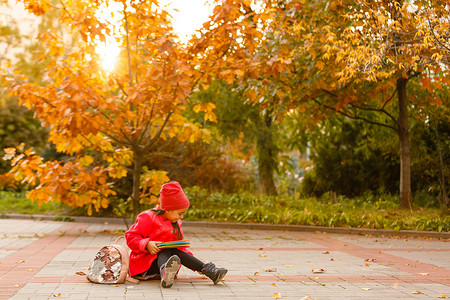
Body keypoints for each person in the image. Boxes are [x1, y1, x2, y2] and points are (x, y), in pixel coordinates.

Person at [125, 181, 228, 288]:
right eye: (180, 213)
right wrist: (147, 244)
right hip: (145, 266)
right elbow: (130, 236)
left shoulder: (175, 223)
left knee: (171, 248)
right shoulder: (148, 217)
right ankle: (166, 271)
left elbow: (180, 250)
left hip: (161, 265)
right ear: (168, 209)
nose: (182, 217)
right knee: (165, 248)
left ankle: (207, 271)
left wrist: (195, 265)